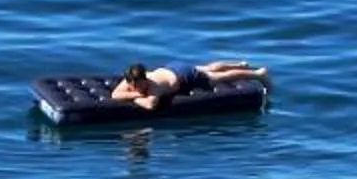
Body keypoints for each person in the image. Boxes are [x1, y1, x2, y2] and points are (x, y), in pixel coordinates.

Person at [106, 60, 270, 109]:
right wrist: (136, 94)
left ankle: (257, 74)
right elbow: (115, 94)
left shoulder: (154, 86)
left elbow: (150, 105)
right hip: (172, 67)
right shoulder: (132, 80)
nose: (134, 88)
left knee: (219, 78)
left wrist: (136, 96)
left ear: (145, 79)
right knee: (209, 68)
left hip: (184, 76)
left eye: (138, 85)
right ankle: (240, 64)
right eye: (132, 85)